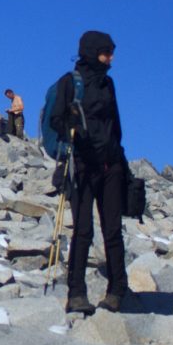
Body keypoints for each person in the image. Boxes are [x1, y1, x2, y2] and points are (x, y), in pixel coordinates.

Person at [54, 29, 130, 315]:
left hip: (110, 166)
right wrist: (69, 125)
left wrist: (121, 161)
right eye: (106, 52)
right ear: (91, 51)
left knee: (112, 231)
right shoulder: (69, 83)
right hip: (82, 167)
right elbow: (55, 121)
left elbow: (116, 125)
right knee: (83, 230)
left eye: (111, 53)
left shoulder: (108, 84)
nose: (110, 59)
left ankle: (117, 290)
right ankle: (76, 293)